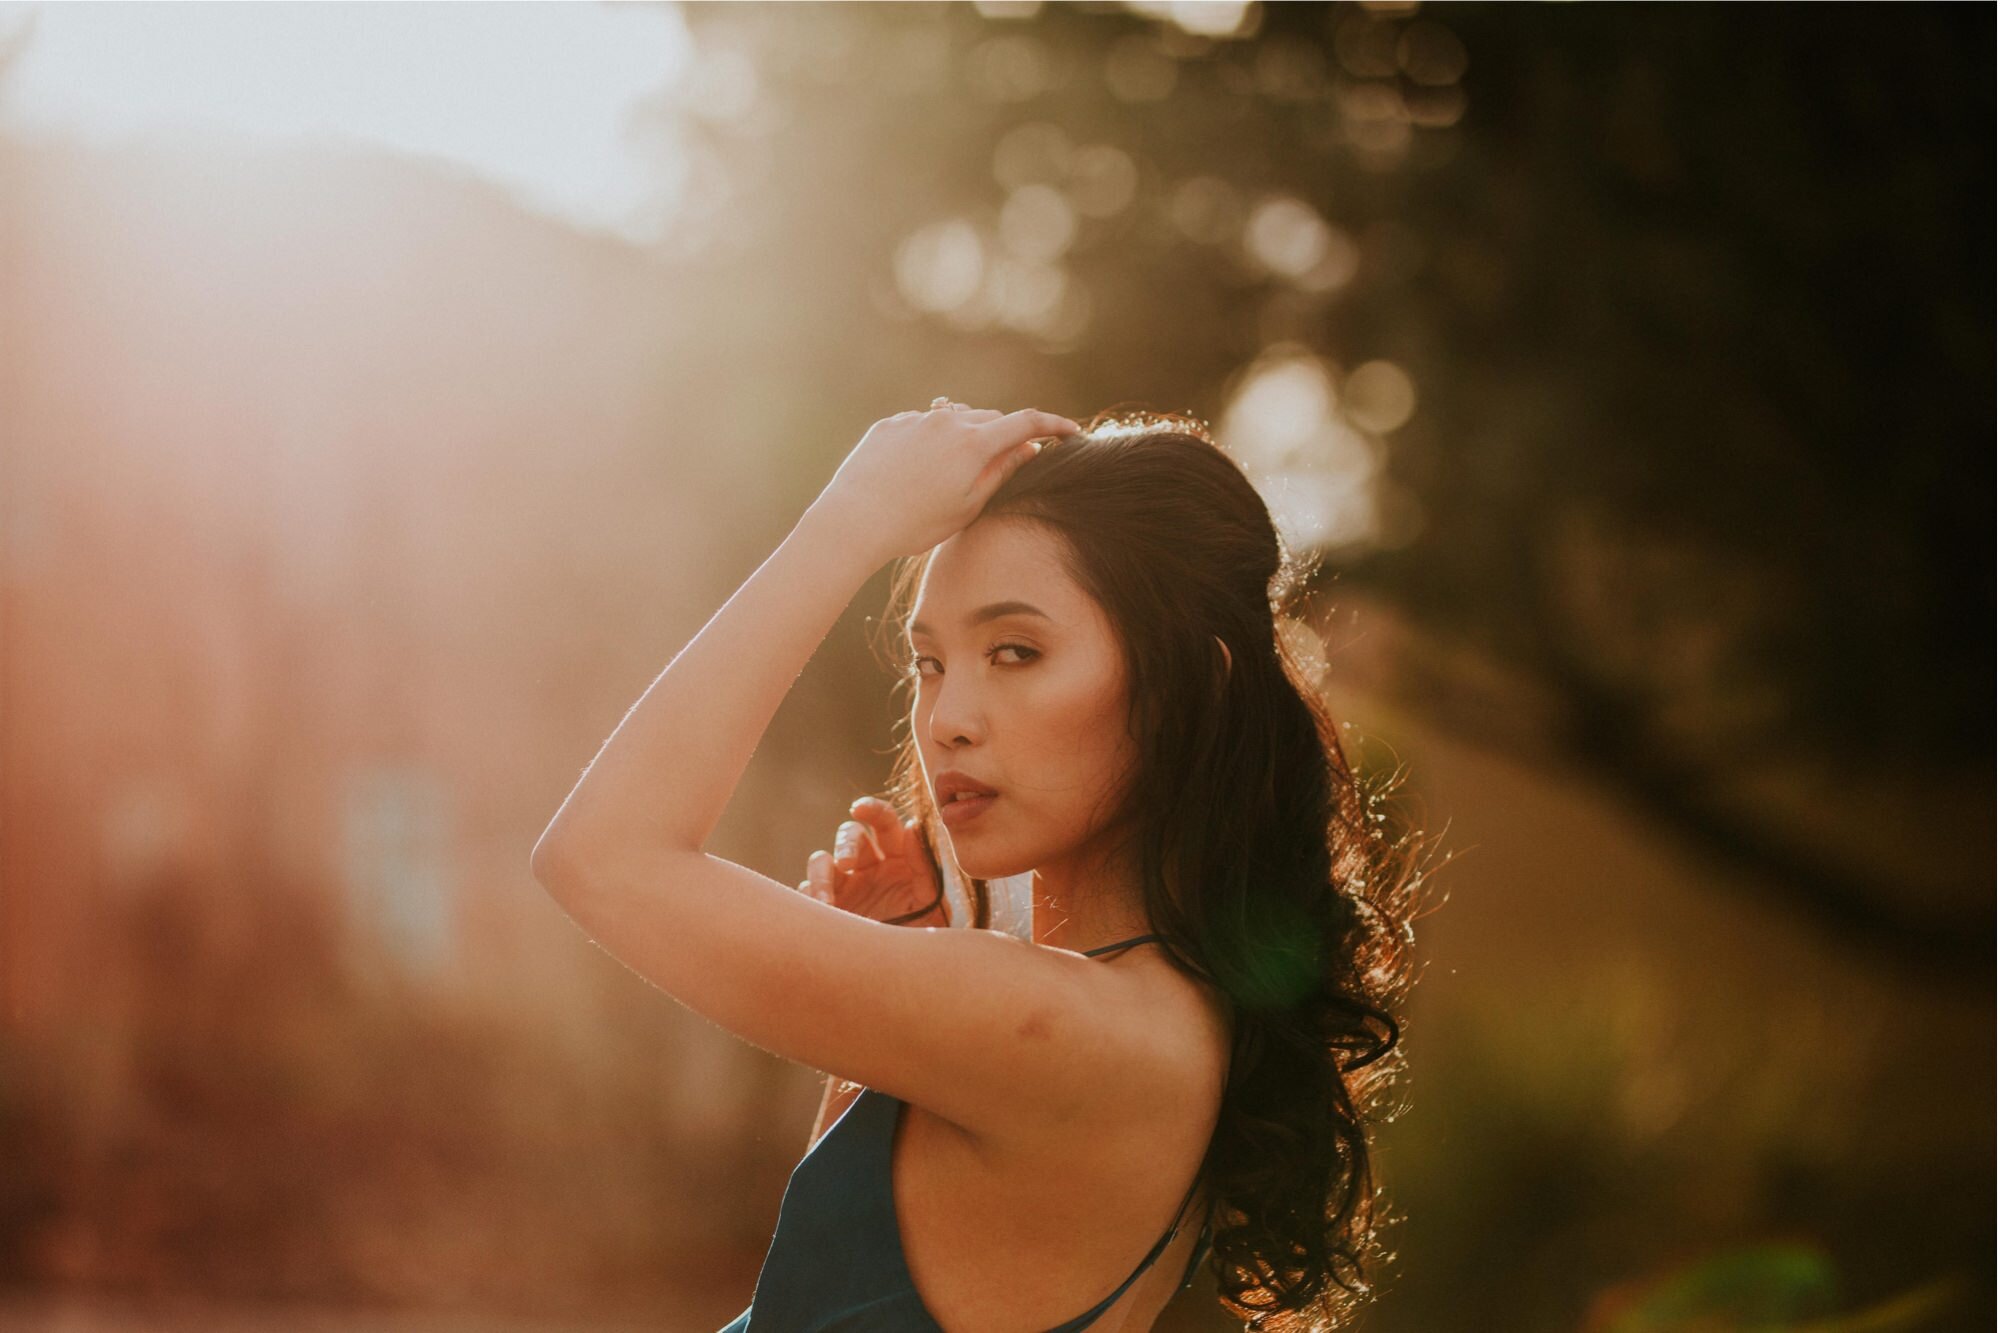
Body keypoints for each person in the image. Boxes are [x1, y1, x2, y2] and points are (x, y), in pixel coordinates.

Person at [531, 402, 1428, 1330]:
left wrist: (847, 523)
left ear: (1184, 690)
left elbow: (601, 855)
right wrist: (886, 1016)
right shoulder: (1163, 1017)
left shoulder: (1060, 1025)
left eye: (1015, 651)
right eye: (928, 664)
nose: (947, 717)